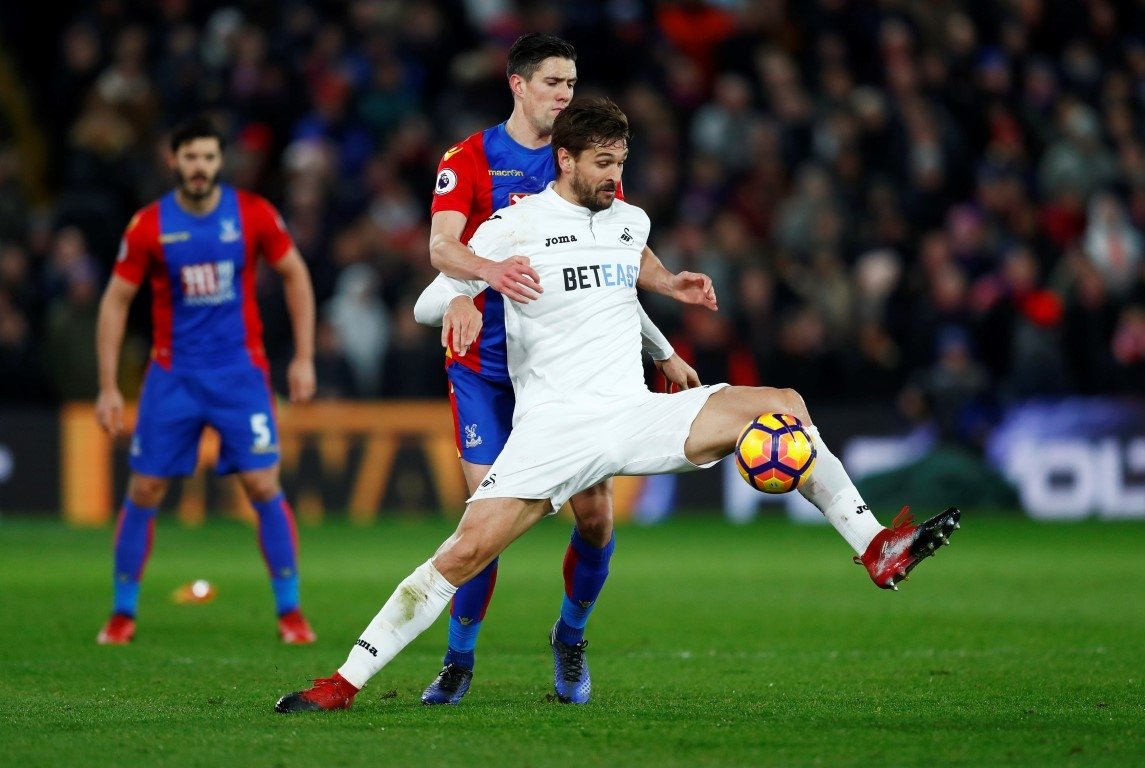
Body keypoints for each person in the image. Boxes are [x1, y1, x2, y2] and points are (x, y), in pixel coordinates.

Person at [274, 97, 960, 714]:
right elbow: (430, 297)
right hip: (555, 429)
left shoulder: (628, 220)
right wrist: (465, 292)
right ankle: (342, 683)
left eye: (620, 162)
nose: (613, 175)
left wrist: (668, 309)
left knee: (782, 402)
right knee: (461, 555)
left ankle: (874, 545)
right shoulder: (514, 226)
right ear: (564, 159)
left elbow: (623, 285)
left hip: (632, 411)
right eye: (601, 163)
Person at [417, 33, 715, 706]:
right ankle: (459, 659)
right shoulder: (467, 160)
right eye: (553, 82)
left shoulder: (583, 158)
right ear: (517, 85)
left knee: (596, 522)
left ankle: (570, 637)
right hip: (485, 369)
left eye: (572, 83)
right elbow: (441, 247)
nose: (564, 94)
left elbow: (610, 266)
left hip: (564, 369)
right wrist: (473, 287)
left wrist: (660, 341)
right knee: (480, 529)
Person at [94, 115, 319, 646]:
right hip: (173, 376)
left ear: (220, 162)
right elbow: (115, 301)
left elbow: (296, 275)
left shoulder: (252, 214)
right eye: (190, 157)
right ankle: (122, 614)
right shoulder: (148, 225)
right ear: (173, 161)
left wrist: (304, 356)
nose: (200, 168)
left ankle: (290, 612)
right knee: (145, 487)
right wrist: (107, 385)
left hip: (241, 374)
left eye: (208, 158)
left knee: (263, 484)